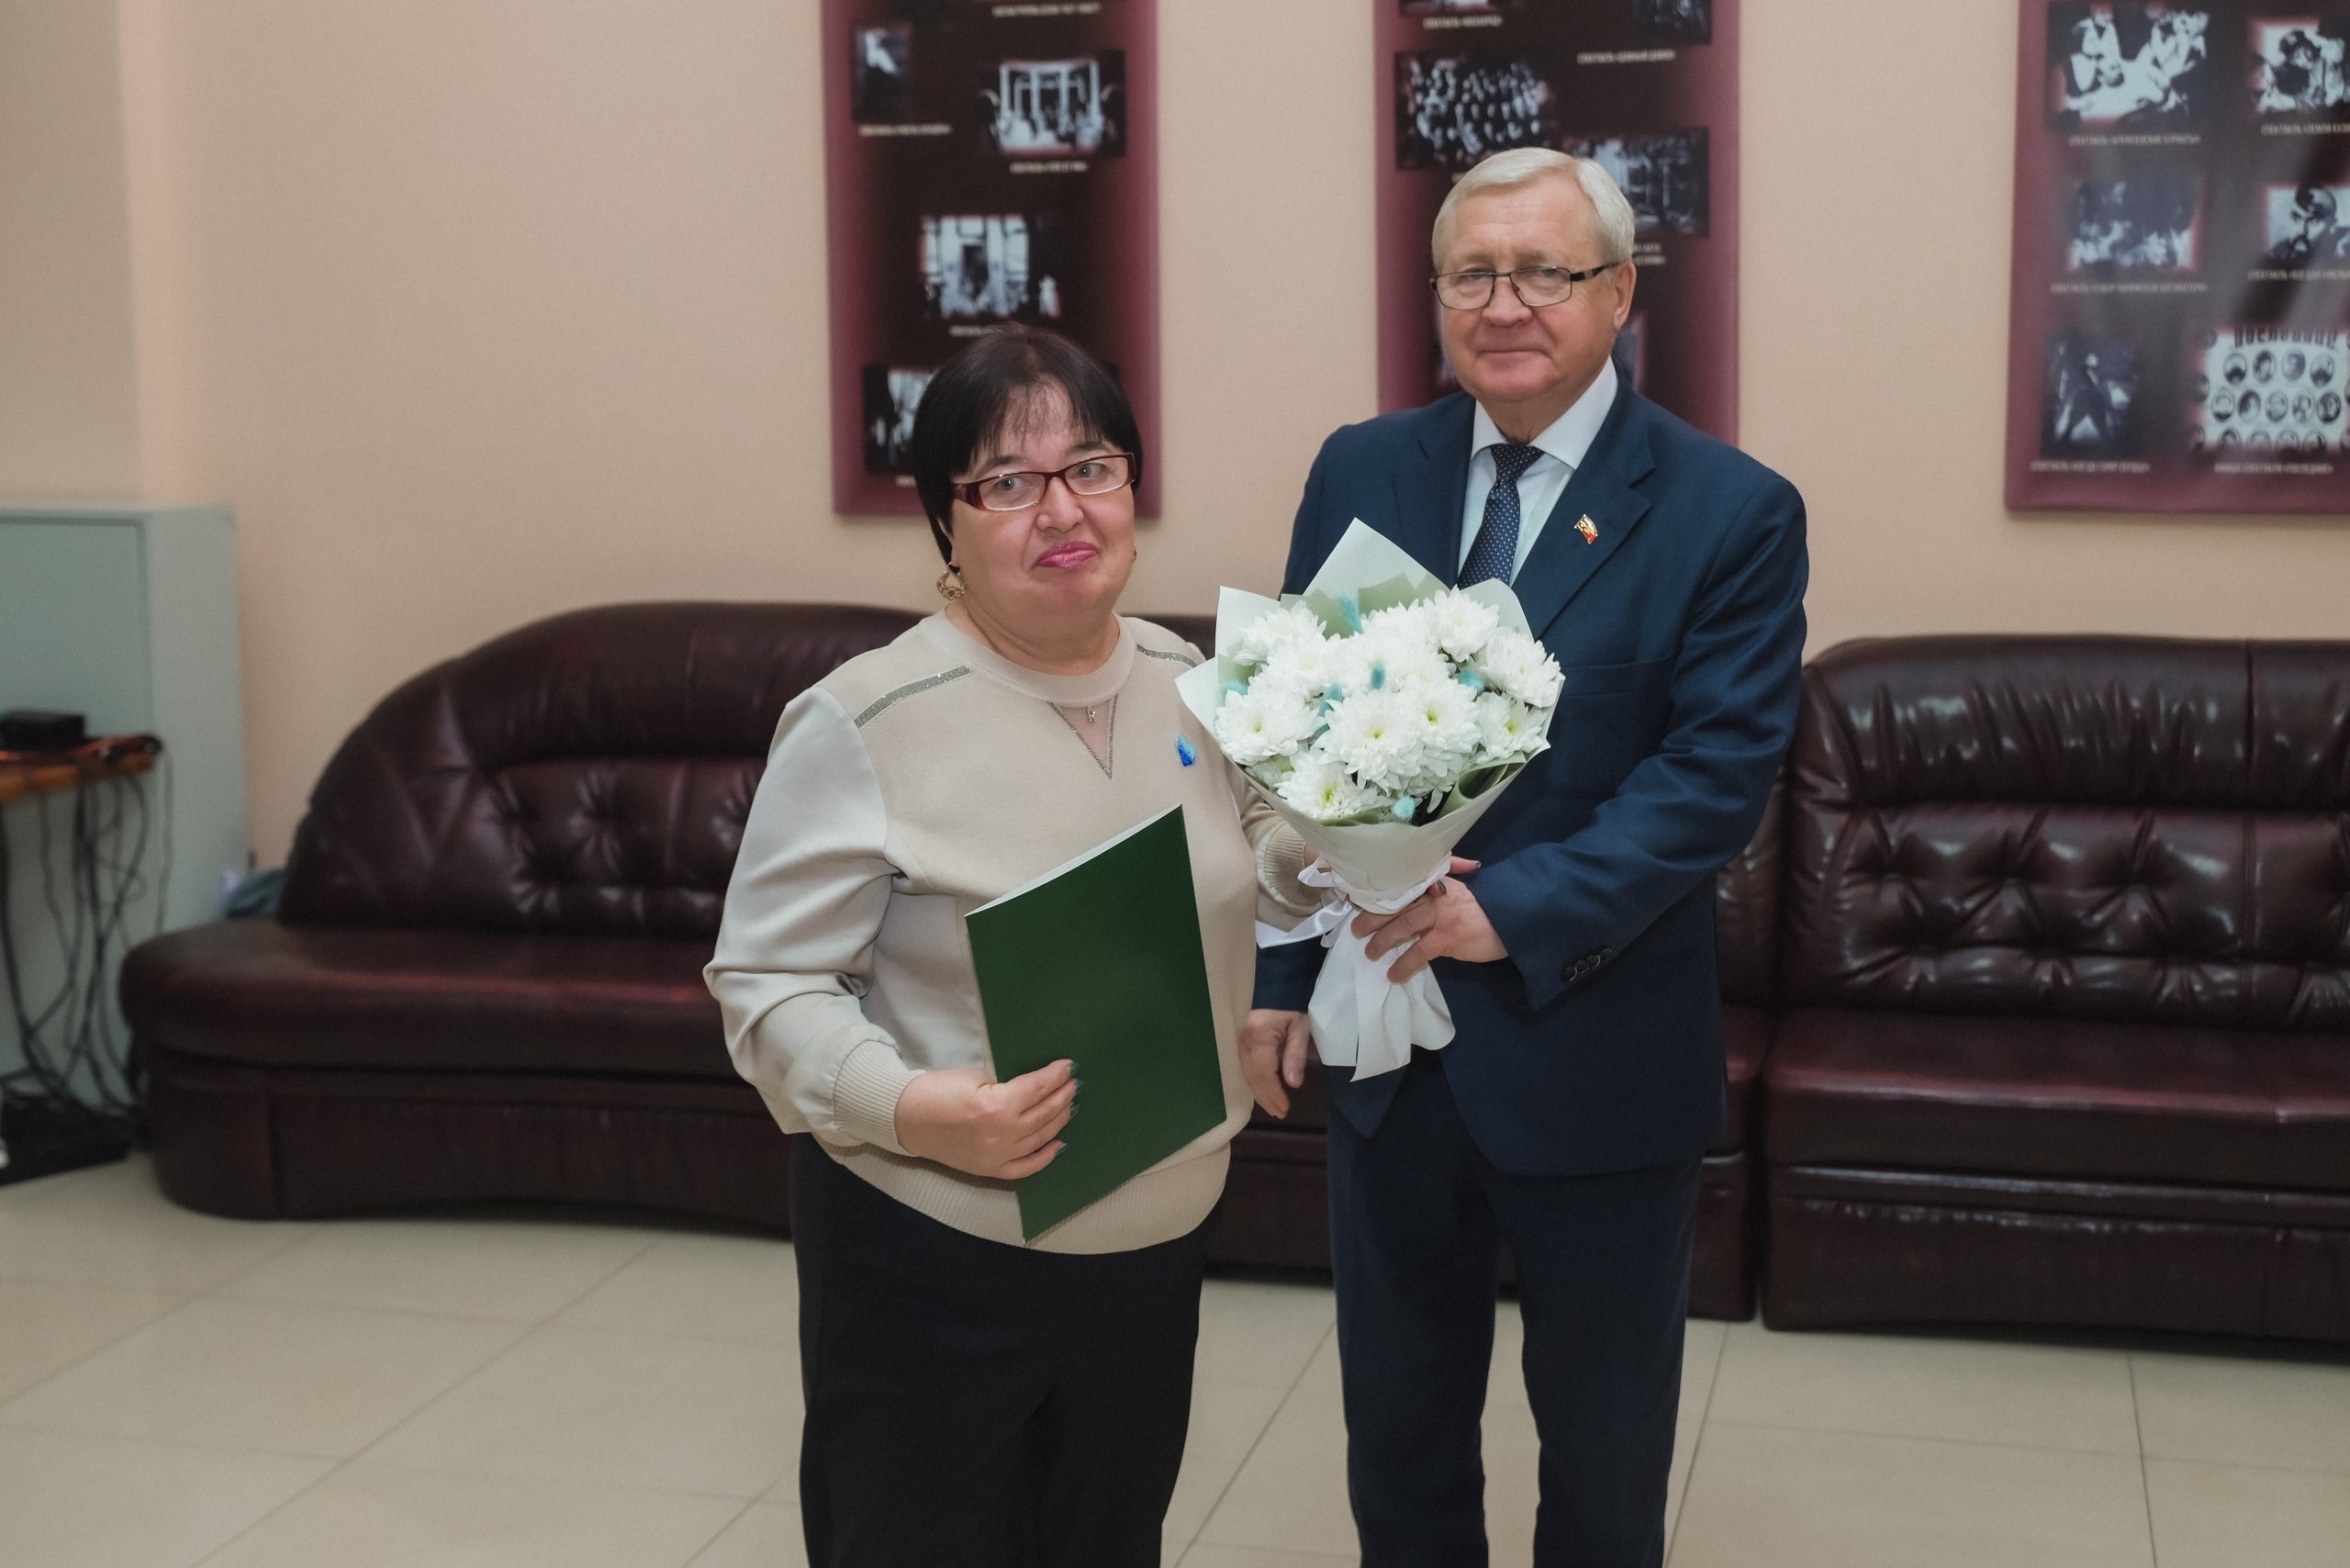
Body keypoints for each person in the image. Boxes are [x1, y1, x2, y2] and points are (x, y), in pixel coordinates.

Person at [1241, 147, 1807, 1566]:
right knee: (1400, 1439)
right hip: (1385, 1049)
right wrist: (1280, 973)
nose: (1506, 305)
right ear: (1436, 297)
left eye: (1546, 272)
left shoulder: (1731, 509)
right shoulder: (1363, 467)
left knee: (1603, 1460)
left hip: (1593, 1053)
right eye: (1472, 275)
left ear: (1619, 292)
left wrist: (1514, 914)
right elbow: (1296, 735)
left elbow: (1712, 782)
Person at [708, 324, 1318, 1567]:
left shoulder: (1188, 675)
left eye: (1092, 467)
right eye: (1008, 482)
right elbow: (767, 986)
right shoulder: (864, 718)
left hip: (1154, 1250)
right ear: (946, 521)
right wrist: (908, 1106)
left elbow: (1255, 851)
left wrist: (1342, 858)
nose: (1063, 510)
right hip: (937, 1255)